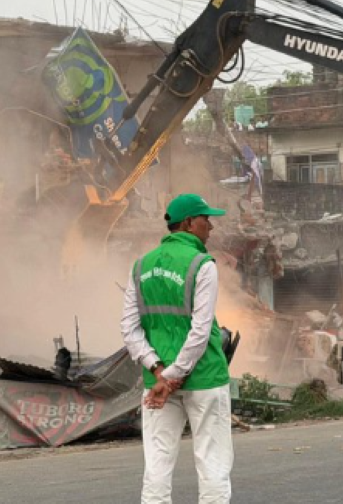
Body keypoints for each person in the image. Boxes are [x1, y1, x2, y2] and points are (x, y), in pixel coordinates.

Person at [120, 193, 234, 504]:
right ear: (189, 223)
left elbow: (129, 329)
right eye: (205, 219)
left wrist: (159, 372)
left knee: (157, 467)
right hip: (204, 379)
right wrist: (174, 375)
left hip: (156, 384)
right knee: (212, 465)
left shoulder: (140, 266)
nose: (210, 226)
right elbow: (200, 331)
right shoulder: (202, 265)